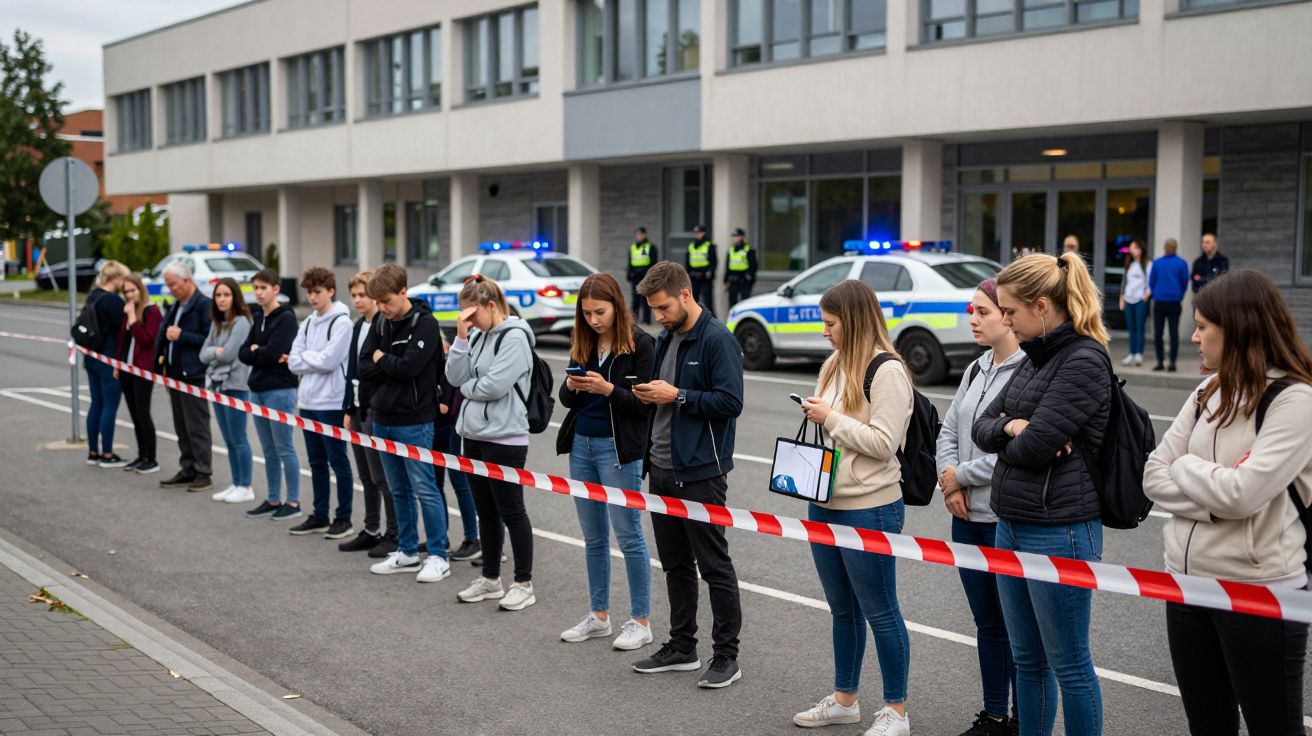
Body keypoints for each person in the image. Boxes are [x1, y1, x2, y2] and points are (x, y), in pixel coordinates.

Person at [1144, 269, 1310, 736]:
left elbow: (1244, 493)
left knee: (1272, 726)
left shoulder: (1294, 401)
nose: (1193, 337)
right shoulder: (1206, 392)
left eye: (1202, 327)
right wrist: (1214, 491)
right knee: (1208, 726)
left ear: (1236, 330)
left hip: (1260, 589)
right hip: (1188, 584)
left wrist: (1188, 468)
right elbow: (1152, 475)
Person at [971, 251, 1111, 736]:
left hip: (1061, 532)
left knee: (1069, 665)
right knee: (1027, 662)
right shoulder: (1035, 358)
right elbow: (981, 426)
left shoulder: (1084, 360)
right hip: (1011, 525)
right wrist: (1013, 425)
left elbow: (1032, 449)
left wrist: (1016, 435)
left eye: (1010, 311)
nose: (1005, 320)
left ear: (1044, 306)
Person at [789, 279, 915, 735]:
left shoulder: (888, 371)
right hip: (825, 501)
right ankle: (845, 700)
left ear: (854, 320)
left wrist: (832, 419)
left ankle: (896, 711)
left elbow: (885, 444)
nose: (825, 332)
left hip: (870, 507)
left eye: (830, 323)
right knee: (842, 608)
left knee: (881, 610)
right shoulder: (835, 363)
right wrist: (821, 414)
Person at [630, 261, 745, 689]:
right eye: (653, 309)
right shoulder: (666, 337)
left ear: (684, 295)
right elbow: (669, 400)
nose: (657, 316)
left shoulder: (717, 339)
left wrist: (677, 395)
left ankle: (726, 656)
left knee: (714, 565)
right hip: (661, 467)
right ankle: (682, 647)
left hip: (700, 473)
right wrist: (649, 394)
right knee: (676, 565)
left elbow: (731, 402)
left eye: (662, 307)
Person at [935, 278, 1025, 736]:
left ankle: (1024, 717)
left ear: (1008, 316)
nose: (973, 319)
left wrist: (961, 477)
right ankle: (994, 716)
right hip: (966, 517)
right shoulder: (975, 369)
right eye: (971, 310)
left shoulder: (1030, 371)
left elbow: (1019, 447)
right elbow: (948, 431)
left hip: (1003, 518)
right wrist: (949, 483)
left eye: (983, 312)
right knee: (988, 623)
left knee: (1020, 630)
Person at [556, 273, 656, 651]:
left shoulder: (642, 344)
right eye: (587, 313)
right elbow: (567, 403)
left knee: (628, 534)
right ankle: (599, 616)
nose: (594, 320)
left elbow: (645, 405)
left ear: (617, 305)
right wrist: (570, 387)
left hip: (619, 449)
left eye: (600, 312)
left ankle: (640, 621)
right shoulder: (584, 340)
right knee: (593, 535)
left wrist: (609, 389)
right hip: (582, 444)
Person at [446, 274, 538, 610]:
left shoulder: (514, 338)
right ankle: (490, 579)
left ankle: (523, 583)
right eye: (463, 317)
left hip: (505, 437)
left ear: (491, 306)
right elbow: (455, 377)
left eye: (471, 316)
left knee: (512, 511)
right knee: (485, 512)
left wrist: (469, 389)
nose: (468, 322)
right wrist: (460, 338)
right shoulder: (477, 336)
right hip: (472, 435)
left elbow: (493, 387)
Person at [359, 264, 451, 583]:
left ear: (403, 292)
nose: (383, 308)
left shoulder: (424, 324)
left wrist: (381, 360)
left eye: (387, 301)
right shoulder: (382, 322)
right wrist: (386, 364)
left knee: (425, 488)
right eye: (379, 303)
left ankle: (438, 555)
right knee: (398, 490)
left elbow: (411, 368)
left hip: (415, 420)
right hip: (382, 419)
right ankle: (407, 551)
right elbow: (362, 365)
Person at [287, 267, 354, 539]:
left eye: (317, 292)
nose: (312, 297)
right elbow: (293, 361)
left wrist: (309, 358)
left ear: (330, 291)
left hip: (332, 402)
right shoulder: (308, 322)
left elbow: (330, 361)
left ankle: (344, 517)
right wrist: (313, 358)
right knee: (315, 461)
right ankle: (320, 513)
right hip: (308, 400)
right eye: (309, 292)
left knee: (338, 460)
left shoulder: (342, 322)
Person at [338, 271, 399, 555]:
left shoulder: (384, 326)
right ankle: (371, 528)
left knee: (383, 476)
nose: (359, 300)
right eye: (354, 296)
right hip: (358, 407)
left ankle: (393, 532)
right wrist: (348, 407)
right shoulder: (356, 327)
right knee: (365, 475)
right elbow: (354, 369)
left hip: (377, 408)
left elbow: (376, 369)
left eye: (363, 295)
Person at [238, 269, 303, 521]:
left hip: (280, 390)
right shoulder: (258, 317)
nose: (258, 292)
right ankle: (273, 497)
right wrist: (258, 351)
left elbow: (273, 351)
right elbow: (244, 353)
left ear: (276, 289)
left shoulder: (286, 318)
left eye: (263, 287)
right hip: (258, 389)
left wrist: (259, 351)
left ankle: (294, 501)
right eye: (255, 288)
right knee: (268, 449)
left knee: (284, 446)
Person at [155, 262, 214, 491]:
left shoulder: (203, 305)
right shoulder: (176, 306)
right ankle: (188, 467)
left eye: (174, 284)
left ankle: (203, 472)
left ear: (188, 281)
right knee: (181, 426)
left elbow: (209, 341)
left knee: (197, 425)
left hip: (193, 374)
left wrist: (182, 336)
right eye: (168, 285)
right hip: (175, 372)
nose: (171, 289)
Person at [200, 278, 253, 504]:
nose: (222, 299)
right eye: (218, 295)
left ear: (235, 297)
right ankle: (235, 482)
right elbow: (203, 354)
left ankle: (246, 485)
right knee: (229, 439)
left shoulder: (241, 322)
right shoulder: (217, 323)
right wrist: (215, 351)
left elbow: (230, 353)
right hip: (218, 385)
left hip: (236, 386)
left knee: (239, 438)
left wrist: (215, 353)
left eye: (226, 295)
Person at [435, 347, 482, 564]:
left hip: (466, 421)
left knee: (466, 482)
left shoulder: (480, 342)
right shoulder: (464, 344)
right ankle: (446, 537)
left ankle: (476, 540)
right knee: (451, 481)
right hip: (455, 420)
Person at [82, 260, 128, 467]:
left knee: (96, 403)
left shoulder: (93, 296)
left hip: (91, 356)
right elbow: (124, 331)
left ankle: (93, 452)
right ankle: (108, 454)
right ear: (116, 278)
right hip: (108, 358)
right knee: (110, 404)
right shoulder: (113, 301)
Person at [115, 273, 162, 474]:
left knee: (143, 413)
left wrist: (134, 319)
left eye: (132, 290)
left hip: (143, 369)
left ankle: (151, 458)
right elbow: (122, 341)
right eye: (125, 292)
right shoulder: (128, 311)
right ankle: (141, 455)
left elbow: (145, 340)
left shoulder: (152, 311)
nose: (129, 295)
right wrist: (117, 365)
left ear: (140, 289)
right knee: (134, 414)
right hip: (126, 368)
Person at [1149, 238, 1190, 373]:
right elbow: (1184, 282)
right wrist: (1179, 294)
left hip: (1160, 300)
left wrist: (1155, 294)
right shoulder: (1181, 263)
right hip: (1174, 301)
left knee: (1159, 332)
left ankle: (1160, 362)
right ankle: (1172, 362)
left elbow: (1152, 282)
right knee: (1173, 332)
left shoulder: (1157, 263)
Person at [1119, 240, 1151, 367]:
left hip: (1140, 300)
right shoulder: (1129, 263)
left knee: (1139, 327)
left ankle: (1139, 354)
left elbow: (1150, 281)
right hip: (1128, 299)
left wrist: (1146, 295)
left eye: (1135, 248)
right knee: (1131, 328)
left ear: (1141, 249)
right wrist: (1121, 298)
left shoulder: (1147, 264)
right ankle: (1131, 353)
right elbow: (1124, 281)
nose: (1133, 250)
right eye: (1131, 248)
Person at [626, 226, 658, 325]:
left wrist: (649, 275)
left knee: (645, 298)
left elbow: (653, 262)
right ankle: (634, 319)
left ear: (644, 234)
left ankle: (646, 320)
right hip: (635, 276)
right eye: (637, 234)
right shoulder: (633, 247)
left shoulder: (650, 247)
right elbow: (630, 262)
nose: (638, 236)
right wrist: (629, 273)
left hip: (645, 276)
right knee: (635, 299)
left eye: (640, 234)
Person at [723, 228, 757, 308]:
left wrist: (750, 281)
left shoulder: (748, 249)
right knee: (732, 304)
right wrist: (726, 281)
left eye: (737, 236)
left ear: (742, 237)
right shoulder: (731, 250)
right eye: (734, 236)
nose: (735, 238)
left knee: (746, 304)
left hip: (744, 281)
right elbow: (728, 267)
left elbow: (754, 266)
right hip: (733, 281)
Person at [685, 225, 717, 310]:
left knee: (707, 300)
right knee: (693, 300)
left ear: (703, 233)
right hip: (694, 276)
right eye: (696, 233)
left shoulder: (709, 245)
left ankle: (711, 320)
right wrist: (687, 274)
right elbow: (687, 262)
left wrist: (710, 273)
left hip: (705, 277)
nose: (697, 235)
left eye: (699, 233)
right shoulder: (691, 246)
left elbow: (714, 262)